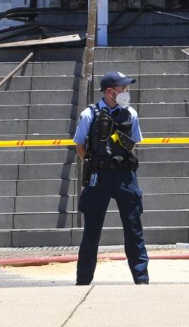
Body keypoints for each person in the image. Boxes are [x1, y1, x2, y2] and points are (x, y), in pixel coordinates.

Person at [74, 70, 149, 285]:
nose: (126, 92)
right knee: (92, 231)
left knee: (134, 229)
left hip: (125, 176)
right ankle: (83, 281)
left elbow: (133, 143)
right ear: (110, 92)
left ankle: (141, 279)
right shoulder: (89, 114)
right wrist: (95, 164)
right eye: (122, 88)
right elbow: (79, 146)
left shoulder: (130, 113)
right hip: (100, 177)